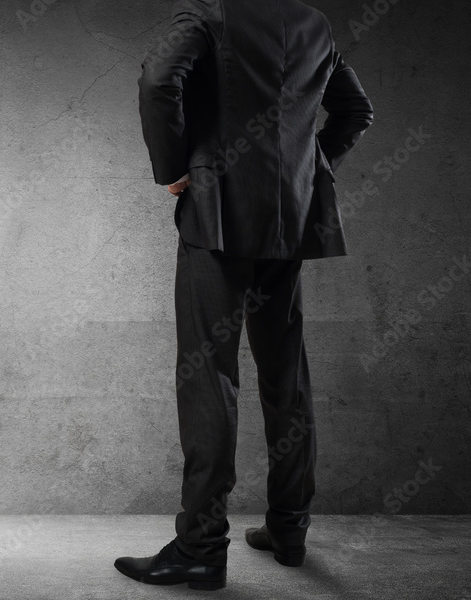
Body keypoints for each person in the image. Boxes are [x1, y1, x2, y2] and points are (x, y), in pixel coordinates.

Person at [114, 0, 374, 590]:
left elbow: (158, 81)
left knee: (210, 378)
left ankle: (202, 547)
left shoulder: (207, 13)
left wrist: (173, 169)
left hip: (217, 215)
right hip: (288, 217)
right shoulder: (312, 22)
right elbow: (355, 111)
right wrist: (305, 170)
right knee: (287, 374)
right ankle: (289, 527)